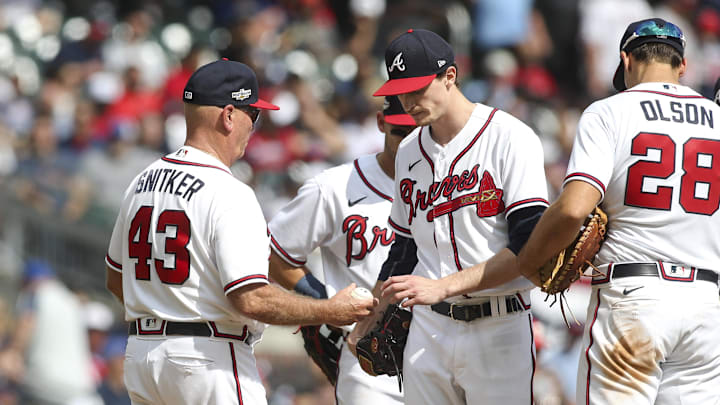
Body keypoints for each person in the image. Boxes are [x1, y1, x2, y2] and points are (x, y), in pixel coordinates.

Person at [104, 59, 376, 405]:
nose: (254, 126)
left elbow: (116, 280)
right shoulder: (228, 191)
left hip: (143, 356)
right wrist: (329, 310)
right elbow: (252, 298)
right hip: (207, 358)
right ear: (228, 116)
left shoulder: (142, 181)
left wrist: (166, 311)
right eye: (254, 114)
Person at [515, 18, 720, 405]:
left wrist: (529, 260)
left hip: (635, 296)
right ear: (683, 66)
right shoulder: (716, 118)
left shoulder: (609, 111)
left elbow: (575, 207)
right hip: (706, 303)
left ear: (626, 60)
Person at [349, 29, 551, 405]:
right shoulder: (409, 151)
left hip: (499, 324)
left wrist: (442, 286)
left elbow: (530, 249)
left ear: (450, 76)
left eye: (417, 88)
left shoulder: (511, 138)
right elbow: (403, 250)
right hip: (428, 328)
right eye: (400, 91)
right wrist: (369, 319)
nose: (408, 101)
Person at [268, 95, 416, 405]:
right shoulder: (334, 187)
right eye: (400, 132)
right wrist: (324, 302)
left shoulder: (449, 188)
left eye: (417, 132)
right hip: (368, 353)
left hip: (440, 350)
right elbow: (275, 255)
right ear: (381, 123)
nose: (408, 143)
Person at [8, 259, 100, 405]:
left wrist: (13, 352)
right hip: (84, 391)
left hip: (47, 388)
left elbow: (26, 325)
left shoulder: (35, 292)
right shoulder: (69, 299)